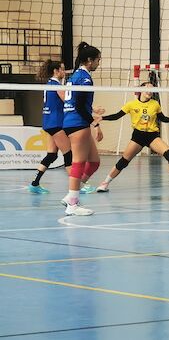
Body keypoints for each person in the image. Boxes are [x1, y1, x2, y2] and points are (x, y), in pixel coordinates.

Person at [95, 83, 169, 193]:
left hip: (152, 136)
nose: (150, 91)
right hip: (138, 136)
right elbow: (117, 116)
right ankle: (105, 183)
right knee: (124, 161)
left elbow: (161, 117)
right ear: (141, 90)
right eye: (147, 88)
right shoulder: (131, 104)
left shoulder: (155, 104)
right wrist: (102, 118)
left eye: (152, 89)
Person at [60, 42, 104, 216]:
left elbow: (78, 102)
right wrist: (94, 123)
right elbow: (78, 105)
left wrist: (92, 111)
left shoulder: (75, 76)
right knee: (78, 162)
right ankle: (73, 203)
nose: (98, 63)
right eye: (98, 60)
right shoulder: (84, 78)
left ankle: (70, 195)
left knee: (94, 162)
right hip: (77, 123)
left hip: (73, 121)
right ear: (89, 60)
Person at [28, 60, 72, 194]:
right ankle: (78, 185)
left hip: (48, 123)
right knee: (69, 154)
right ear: (56, 71)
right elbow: (67, 100)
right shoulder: (57, 86)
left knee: (52, 155)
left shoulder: (49, 84)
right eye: (62, 69)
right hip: (56, 123)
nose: (64, 72)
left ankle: (35, 183)